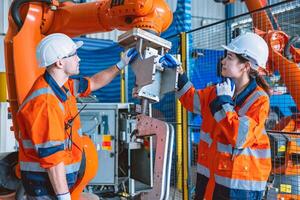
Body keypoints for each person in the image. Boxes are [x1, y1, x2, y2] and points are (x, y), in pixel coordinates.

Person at [16, 33, 137, 200]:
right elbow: (53, 162)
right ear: (59, 62)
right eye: (73, 55)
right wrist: (64, 197)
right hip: (46, 187)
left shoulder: (64, 87)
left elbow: (94, 82)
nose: (78, 59)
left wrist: (121, 64)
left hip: (57, 185)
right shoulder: (45, 103)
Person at [160, 32, 271, 200]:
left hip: (238, 187)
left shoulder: (259, 99)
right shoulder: (217, 91)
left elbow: (240, 137)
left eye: (230, 57)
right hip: (210, 178)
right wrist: (178, 75)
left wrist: (224, 102)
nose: (223, 61)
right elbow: (191, 100)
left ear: (246, 66)